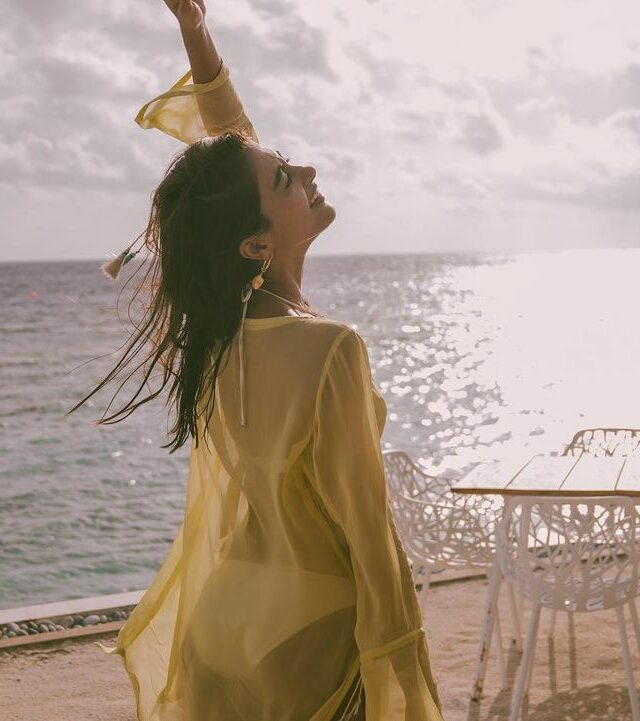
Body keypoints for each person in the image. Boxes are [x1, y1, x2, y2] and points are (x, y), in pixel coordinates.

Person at [80, 1, 444, 718]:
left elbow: (235, 150)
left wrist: (196, 31)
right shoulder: (330, 347)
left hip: (223, 619)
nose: (307, 168)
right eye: (285, 178)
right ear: (254, 245)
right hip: (309, 637)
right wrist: (404, 678)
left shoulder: (215, 335)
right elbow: (370, 538)